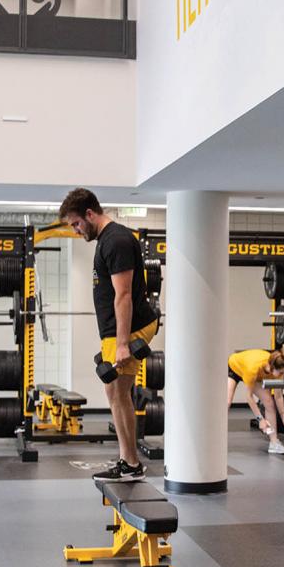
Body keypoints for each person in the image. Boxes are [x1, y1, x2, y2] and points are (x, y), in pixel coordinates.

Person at [60, 188, 159, 482]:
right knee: (116, 391)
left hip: (128, 329)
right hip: (117, 332)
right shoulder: (107, 240)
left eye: (76, 224)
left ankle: (130, 463)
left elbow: (124, 295)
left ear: (90, 214)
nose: (77, 231)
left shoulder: (115, 240)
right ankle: (129, 460)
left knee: (116, 391)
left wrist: (122, 344)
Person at [227, 348, 284, 454]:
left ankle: (274, 443)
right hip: (234, 366)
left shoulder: (278, 369)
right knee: (227, 402)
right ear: (273, 368)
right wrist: (260, 420)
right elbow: (248, 397)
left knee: (269, 402)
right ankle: (212, 438)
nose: (283, 374)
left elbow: (278, 396)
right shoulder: (252, 369)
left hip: (254, 372)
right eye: (281, 372)